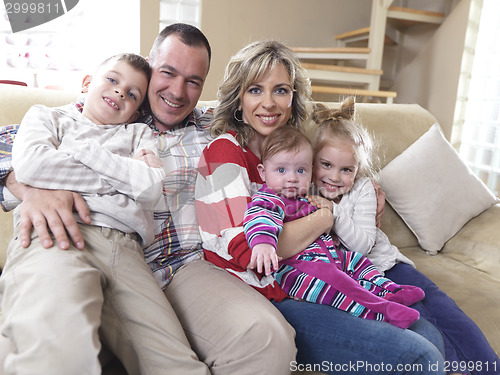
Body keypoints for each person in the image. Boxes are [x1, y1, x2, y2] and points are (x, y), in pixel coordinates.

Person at [0, 25, 295, 374]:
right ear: (149, 65)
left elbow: (284, 133)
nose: (177, 91)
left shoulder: (212, 126)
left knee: (268, 338)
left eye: (193, 81)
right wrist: (29, 188)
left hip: (184, 268)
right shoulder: (111, 107)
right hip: (91, 242)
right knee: (56, 340)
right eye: (167, 73)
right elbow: (14, 141)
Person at [195, 39, 446, 374]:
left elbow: (333, 180)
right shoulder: (224, 153)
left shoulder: (293, 150)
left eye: (281, 90)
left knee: (430, 333)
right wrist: (325, 217)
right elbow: (250, 253)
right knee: (421, 357)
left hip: (323, 272)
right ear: (238, 99)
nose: (269, 103)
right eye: (255, 89)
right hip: (275, 292)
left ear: (293, 97)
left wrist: (363, 190)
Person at [0, 52, 214, 375]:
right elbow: (30, 166)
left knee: (181, 367)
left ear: (136, 111)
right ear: (87, 83)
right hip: (61, 232)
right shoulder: (48, 117)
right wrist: (120, 180)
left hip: (127, 252)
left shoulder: (139, 135)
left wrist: (84, 154)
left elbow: (149, 187)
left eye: (132, 95)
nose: (119, 93)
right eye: (112, 80)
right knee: (56, 349)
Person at [309, 99, 500, 375]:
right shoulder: (307, 193)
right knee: (423, 320)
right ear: (312, 160)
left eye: (346, 169)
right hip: (369, 280)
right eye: (325, 164)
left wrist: (334, 213)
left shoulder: (361, 190)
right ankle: (455, 370)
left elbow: (362, 244)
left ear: (358, 170)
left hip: (392, 266)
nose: (334, 177)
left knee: (446, 309)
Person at [243, 126, 424, 329]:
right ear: (263, 172)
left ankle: (390, 292)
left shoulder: (306, 197)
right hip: (298, 272)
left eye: (300, 170)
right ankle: (383, 312)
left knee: (356, 262)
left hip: (327, 258)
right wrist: (263, 245)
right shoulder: (269, 198)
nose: (292, 178)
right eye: (281, 170)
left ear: (310, 171)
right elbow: (259, 219)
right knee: (337, 281)